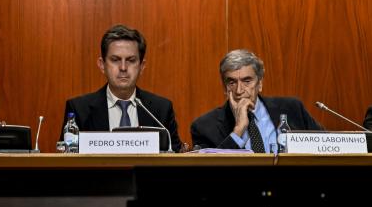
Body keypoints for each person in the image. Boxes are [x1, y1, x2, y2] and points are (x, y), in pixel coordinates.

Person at [60, 24, 182, 151]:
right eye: (115, 59)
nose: (123, 68)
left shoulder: (161, 109)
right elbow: (67, 162)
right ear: (102, 65)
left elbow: (175, 159)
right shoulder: (79, 110)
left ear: (142, 66)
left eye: (131, 60)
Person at [190, 49, 323, 151]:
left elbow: (325, 146)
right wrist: (238, 129)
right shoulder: (205, 126)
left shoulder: (292, 108)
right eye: (232, 82)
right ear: (224, 87)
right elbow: (212, 174)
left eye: (247, 81)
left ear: (259, 84)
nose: (239, 90)